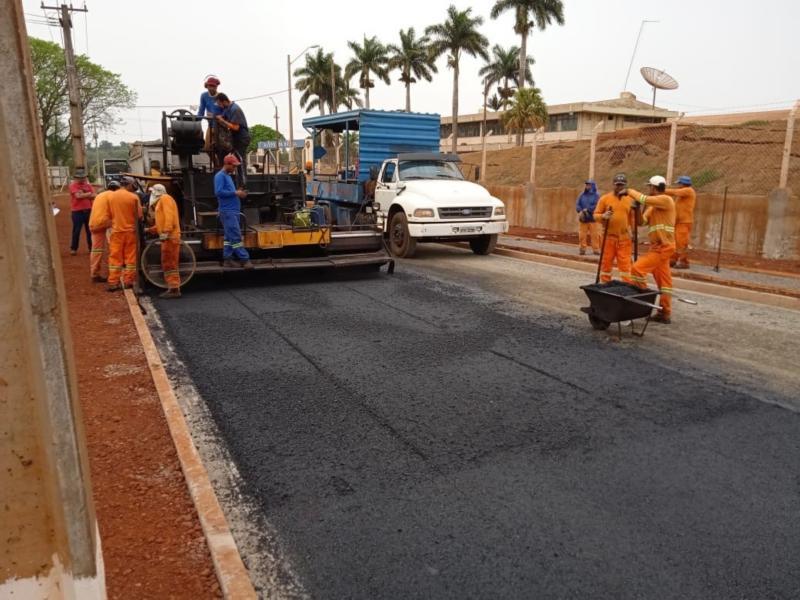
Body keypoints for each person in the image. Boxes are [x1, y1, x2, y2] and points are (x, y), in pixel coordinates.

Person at [625, 175, 677, 324]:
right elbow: (642, 222)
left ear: (654, 188)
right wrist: (637, 210)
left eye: (649, 187)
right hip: (657, 247)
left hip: (663, 247)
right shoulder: (654, 206)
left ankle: (645, 299)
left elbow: (643, 198)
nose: (648, 189)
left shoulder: (666, 200)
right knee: (665, 283)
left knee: (637, 269)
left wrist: (629, 191)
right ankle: (664, 313)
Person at [593, 173, 636, 283]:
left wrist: (634, 232)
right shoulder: (605, 199)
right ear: (613, 185)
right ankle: (605, 285)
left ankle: (627, 286)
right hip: (608, 238)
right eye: (617, 185)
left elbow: (632, 219)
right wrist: (603, 216)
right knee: (606, 264)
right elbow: (595, 215)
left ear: (625, 186)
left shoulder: (630, 199)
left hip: (624, 238)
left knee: (626, 265)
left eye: (622, 185)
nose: (619, 187)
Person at [215, 154, 253, 269]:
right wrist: (236, 193)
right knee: (236, 236)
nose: (235, 168)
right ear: (227, 164)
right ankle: (245, 259)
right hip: (228, 212)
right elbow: (219, 192)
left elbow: (227, 192)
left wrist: (238, 192)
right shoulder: (220, 176)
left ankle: (228, 259)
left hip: (232, 211)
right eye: (234, 166)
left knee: (228, 237)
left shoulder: (227, 176)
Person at [146, 184, 182, 299]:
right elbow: (163, 220)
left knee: (170, 263)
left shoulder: (165, 199)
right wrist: (150, 230)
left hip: (170, 237)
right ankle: (172, 287)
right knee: (167, 262)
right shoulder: (162, 200)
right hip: (167, 237)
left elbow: (169, 217)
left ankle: (174, 288)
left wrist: (166, 231)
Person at [107, 176, 143, 291]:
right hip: (130, 232)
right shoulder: (133, 197)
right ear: (129, 185)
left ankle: (113, 282)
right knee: (130, 258)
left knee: (115, 258)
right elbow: (139, 216)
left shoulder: (111, 196)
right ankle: (128, 281)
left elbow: (109, 214)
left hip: (116, 232)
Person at [87, 180, 119, 283]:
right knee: (115, 244)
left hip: (93, 223)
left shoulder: (100, 195)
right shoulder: (113, 196)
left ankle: (94, 273)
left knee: (96, 250)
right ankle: (115, 272)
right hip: (105, 222)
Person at [665, 175, 696, 269]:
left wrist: (662, 190)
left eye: (679, 183)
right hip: (679, 222)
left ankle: (684, 262)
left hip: (684, 222)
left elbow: (675, 192)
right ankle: (673, 260)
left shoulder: (688, 190)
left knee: (681, 243)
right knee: (675, 242)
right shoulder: (682, 194)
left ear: (683, 184)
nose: (678, 185)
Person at [214, 93, 250, 170]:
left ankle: (242, 181)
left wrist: (222, 121)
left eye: (219, 104)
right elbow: (223, 117)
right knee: (225, 154)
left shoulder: (235, 109)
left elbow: (236, 127)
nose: (220, 106)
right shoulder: (227, 109)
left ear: (224, 101)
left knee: (239, 159)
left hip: (242, 138)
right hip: (234, 138)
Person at [68, 168, 95, 255]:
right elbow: (78, 196)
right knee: (76, 231)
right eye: (80, 177)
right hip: (77, 212)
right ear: (76, 178)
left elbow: (94, 195)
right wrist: (88, 194)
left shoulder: (88, 185)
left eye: (83, 177)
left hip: (88, 210)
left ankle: (91, 248)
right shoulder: (73, 185)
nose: (82, 179)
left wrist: (83, 195)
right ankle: (73, 248)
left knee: (90, 231)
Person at [197, 75, 223, 155]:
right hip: (211, 125)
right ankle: (216, 165)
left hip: (220, 126)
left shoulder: (221, 96)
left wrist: (215, 116)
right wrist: (196, 123)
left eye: (213, 86)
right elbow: (201, 110)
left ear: (216, 87)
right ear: (206, 86)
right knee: (207, 148)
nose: (211, 88)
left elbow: (225, 112)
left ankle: (220, 164)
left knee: (219, 148)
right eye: (209, 86)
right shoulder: (204, 96)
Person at [575, 179, 600, 255]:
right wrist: (580, 210)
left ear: (592, 186)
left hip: (593, 218)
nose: (587, 186)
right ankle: (582, 249)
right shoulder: (582, 195)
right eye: (586, 185)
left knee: (595, 235)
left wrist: (588, 209)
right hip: (583, 219)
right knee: (582, 235)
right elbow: (578, 204)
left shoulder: (596, 195)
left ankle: (596, 249)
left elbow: (597, 205)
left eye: (589, 185)